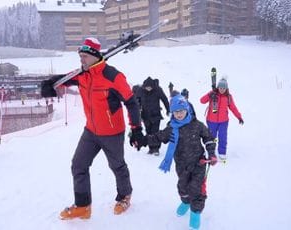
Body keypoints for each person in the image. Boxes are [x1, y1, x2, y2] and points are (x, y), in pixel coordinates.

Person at [41, 37, 143, 220]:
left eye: (85, 57)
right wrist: (49, 84)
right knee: (78, 165)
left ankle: (124, 196)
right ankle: (82, 205)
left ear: (95, 56)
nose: (81, 60)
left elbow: (131, 102)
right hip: (91, 131)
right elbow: (63, 80)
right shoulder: (82, 74)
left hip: (112, 132)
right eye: (80, 56)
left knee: (117, 166)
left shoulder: (113, 77)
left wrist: (136, 128)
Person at [133, 95, 217, 230]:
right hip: (181, 165)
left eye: (181, 111)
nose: (179, 114)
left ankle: (195, 212)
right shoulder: (171, 128)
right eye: (176, 112)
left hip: (198, 164)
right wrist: (143, 140)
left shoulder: (197, 125)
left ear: (187, 110)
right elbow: (158, 137)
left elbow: (209, 138)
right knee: (182, 187)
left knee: (196, 189)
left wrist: (211, 153)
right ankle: (185, 202)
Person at [200, 78, 244, 160]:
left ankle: (222, 152)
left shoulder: (228, 97)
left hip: (223, 122)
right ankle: (211, 152)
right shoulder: (213, 94)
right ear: (218, 87)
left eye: (224, 88)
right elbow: (202, 101)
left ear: (226, 88)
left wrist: (239, 117)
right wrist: (209, 94)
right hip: (211, 120)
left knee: (222, 136)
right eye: (220, 88)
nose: (222, 90)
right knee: (211, 137)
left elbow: (233, 108)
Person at [135, 77, 169, 155]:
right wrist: (138, 109)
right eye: (147, 87)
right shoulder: (140, 90)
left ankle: (156, 148)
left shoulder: (158, 90)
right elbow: (137, 101)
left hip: (156, 114)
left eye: (150, 87)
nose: (149, 89)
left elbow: (164, 99)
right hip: (145, 115)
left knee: (155, 132)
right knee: (148, 131)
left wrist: (168, 109)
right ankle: (151, 148)